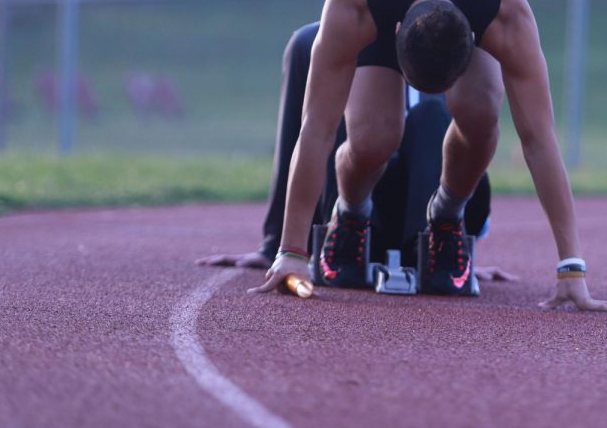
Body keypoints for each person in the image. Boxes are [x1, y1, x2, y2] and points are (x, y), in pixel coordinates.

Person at [248, 0, 607, 313]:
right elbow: (316, 128)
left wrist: (571, 270)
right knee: (375, 138)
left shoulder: (504, 12)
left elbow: (538, 137)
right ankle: (351, 214)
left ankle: (447, 215)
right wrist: (291, 251)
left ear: (477, 44)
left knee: (482, 112)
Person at [197, 22, 509, 278]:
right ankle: (345, 244)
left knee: (432, 116)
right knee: (343, 116)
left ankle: (437, 251)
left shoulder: (450, 36)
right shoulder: (319, 42)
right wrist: (277, 245)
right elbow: (301, 136)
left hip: (427, 219)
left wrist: (464, 247)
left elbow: (474, 145)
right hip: (346, 221)